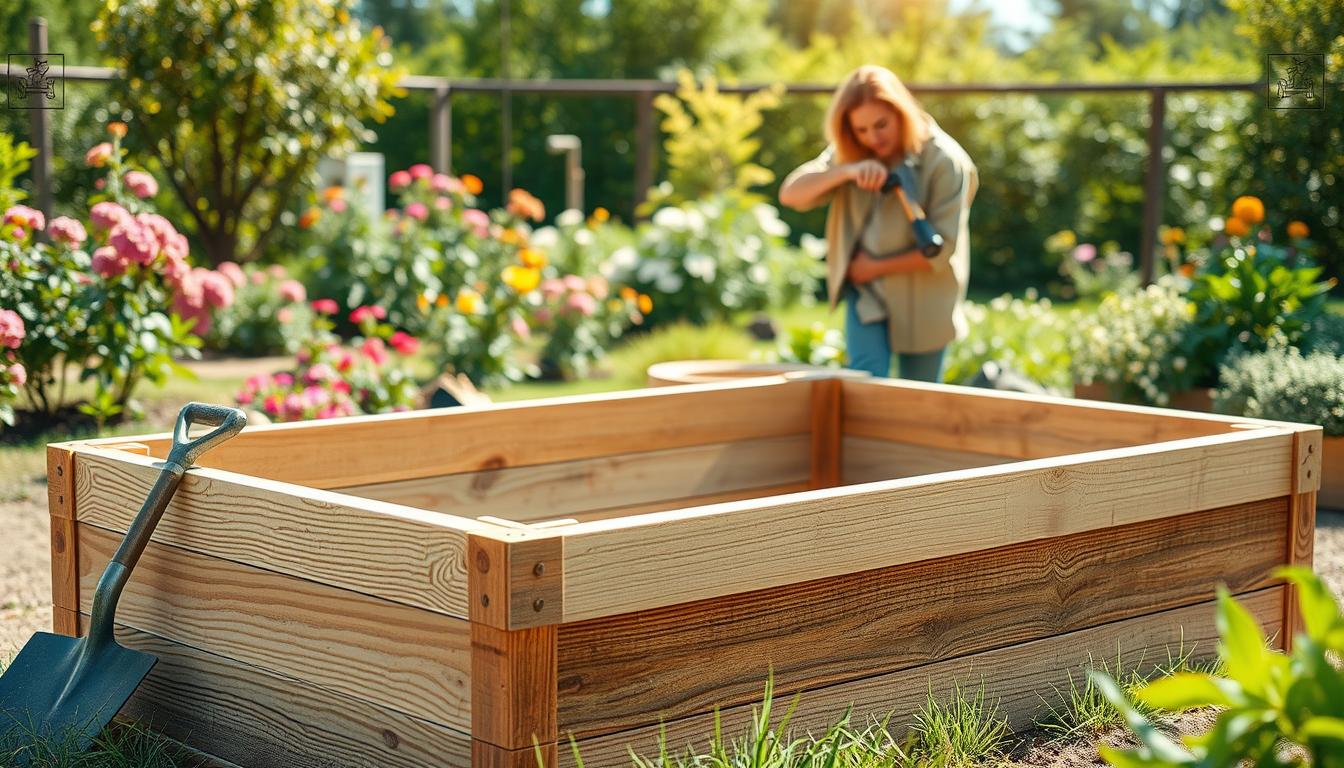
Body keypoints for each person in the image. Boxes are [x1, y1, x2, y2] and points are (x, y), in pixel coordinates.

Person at [779, 64, 978, 383]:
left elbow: (942, 251)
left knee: (919, 400)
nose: (872, 138)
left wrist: (874, 267)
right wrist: (845, 172)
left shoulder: (946, 162)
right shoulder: (850, 154)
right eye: (861, 129)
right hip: (868, 296)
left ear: (902, 112)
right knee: (864, 387)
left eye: (881, 125)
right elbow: (791, 194)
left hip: (925, 302)